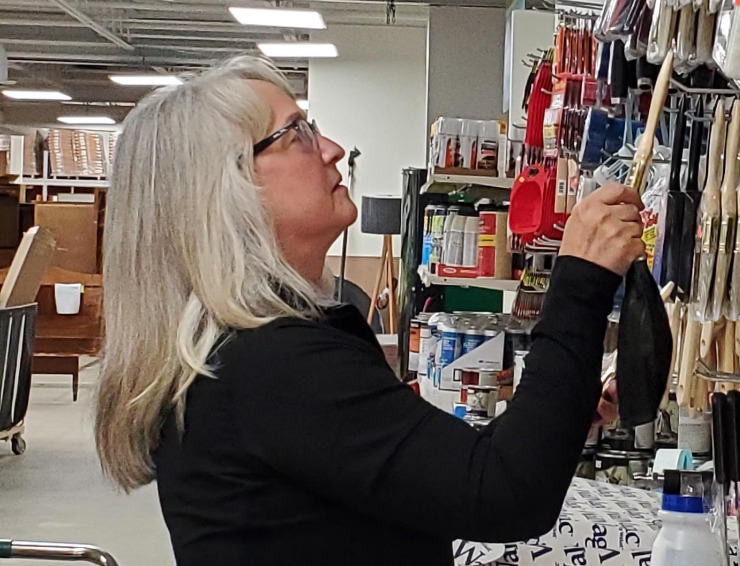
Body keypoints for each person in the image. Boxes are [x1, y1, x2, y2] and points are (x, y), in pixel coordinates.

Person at [94, 56, 644, 565]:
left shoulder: (251, 354)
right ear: (227, 186)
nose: (331, 148)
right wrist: (582, 282)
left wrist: (557, 413)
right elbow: (505, 493)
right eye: (298, 134)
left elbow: (433, 478)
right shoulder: (271, 363)